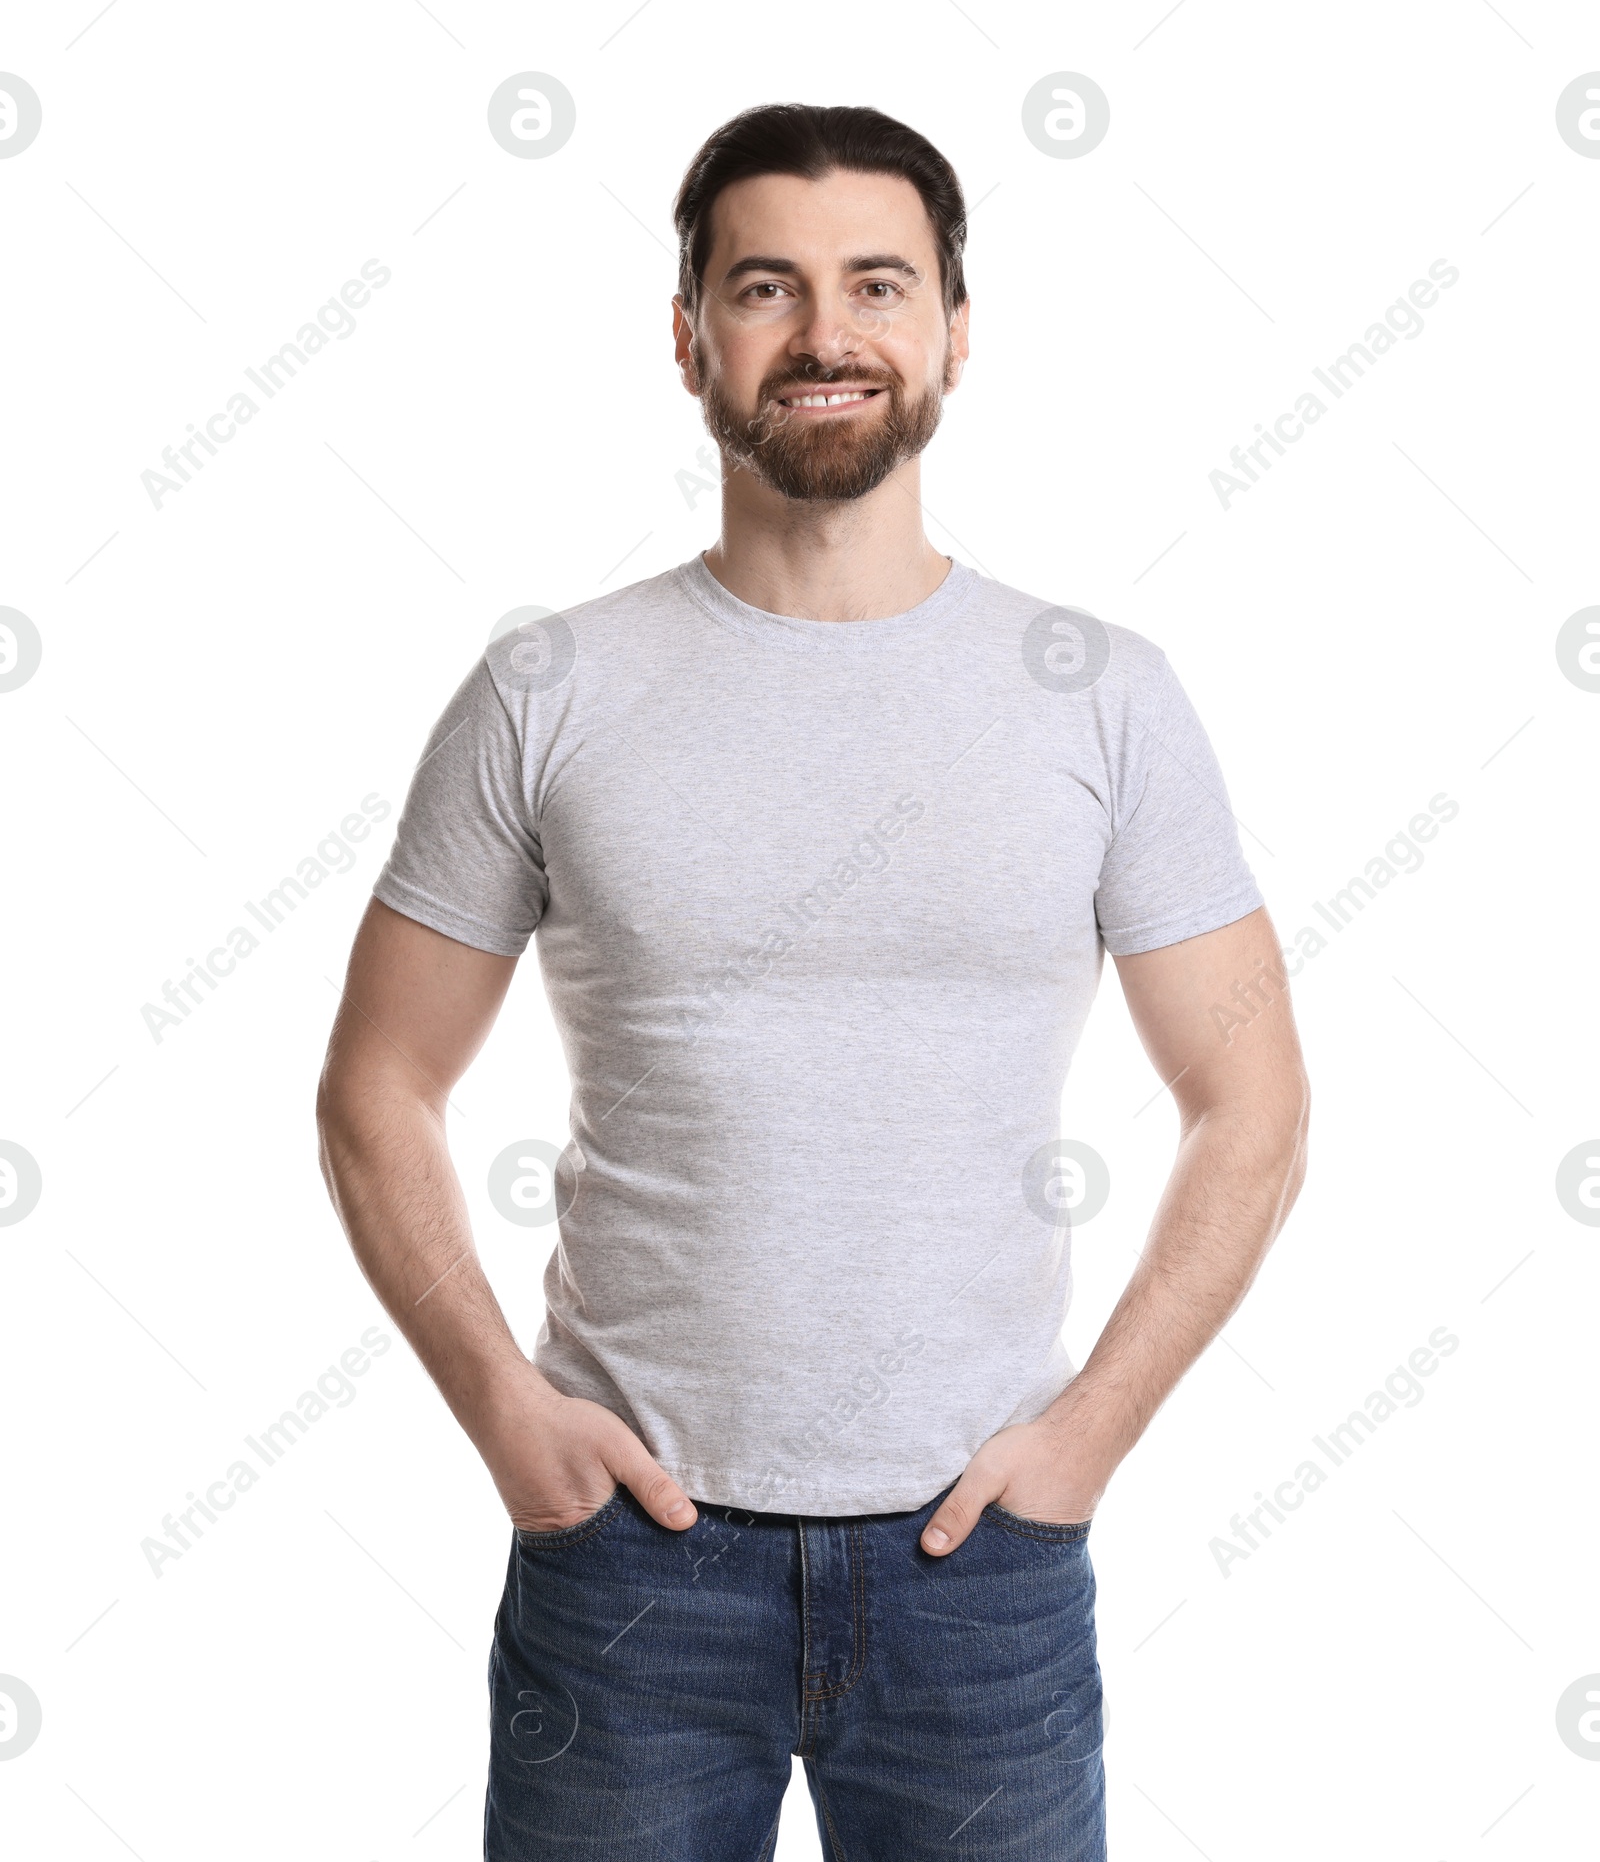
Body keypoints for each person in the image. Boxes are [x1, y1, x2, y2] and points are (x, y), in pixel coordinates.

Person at [316, 101, 1309, 1862]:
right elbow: (376, 1087)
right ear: (691, 334)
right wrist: (503, 1412)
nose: (827, 333)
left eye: (879, 284)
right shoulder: (550, 690)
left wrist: (1082, 1442)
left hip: (980, 1568)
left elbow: (1253, 1101)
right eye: (767, 286)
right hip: (628, 1561)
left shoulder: (1103, 695)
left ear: (954, 332)